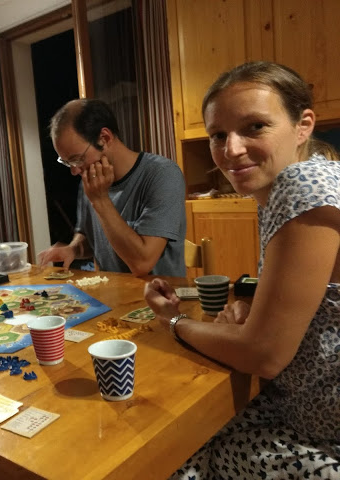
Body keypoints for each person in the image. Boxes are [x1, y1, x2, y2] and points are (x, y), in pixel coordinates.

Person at [144, 61, 340, 478]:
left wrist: (173, 322)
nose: (231, 150)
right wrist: (257, 311)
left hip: (322, 437)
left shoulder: (302, 186)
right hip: (300, 409)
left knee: (176, 455)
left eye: (255, 127)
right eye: (218, 135)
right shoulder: (295, 183)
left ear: (303, 126)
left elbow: (263, 354)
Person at [37, 98, 186, 277]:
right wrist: (74, 249)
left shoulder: (162, 174)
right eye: (68, 163)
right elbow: (92, 238)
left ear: (105, 138)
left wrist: (100, 200)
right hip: (112, 290)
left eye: (77, 159)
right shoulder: (91, 180)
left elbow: (142, 263)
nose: (75, 171)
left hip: (159, 292)